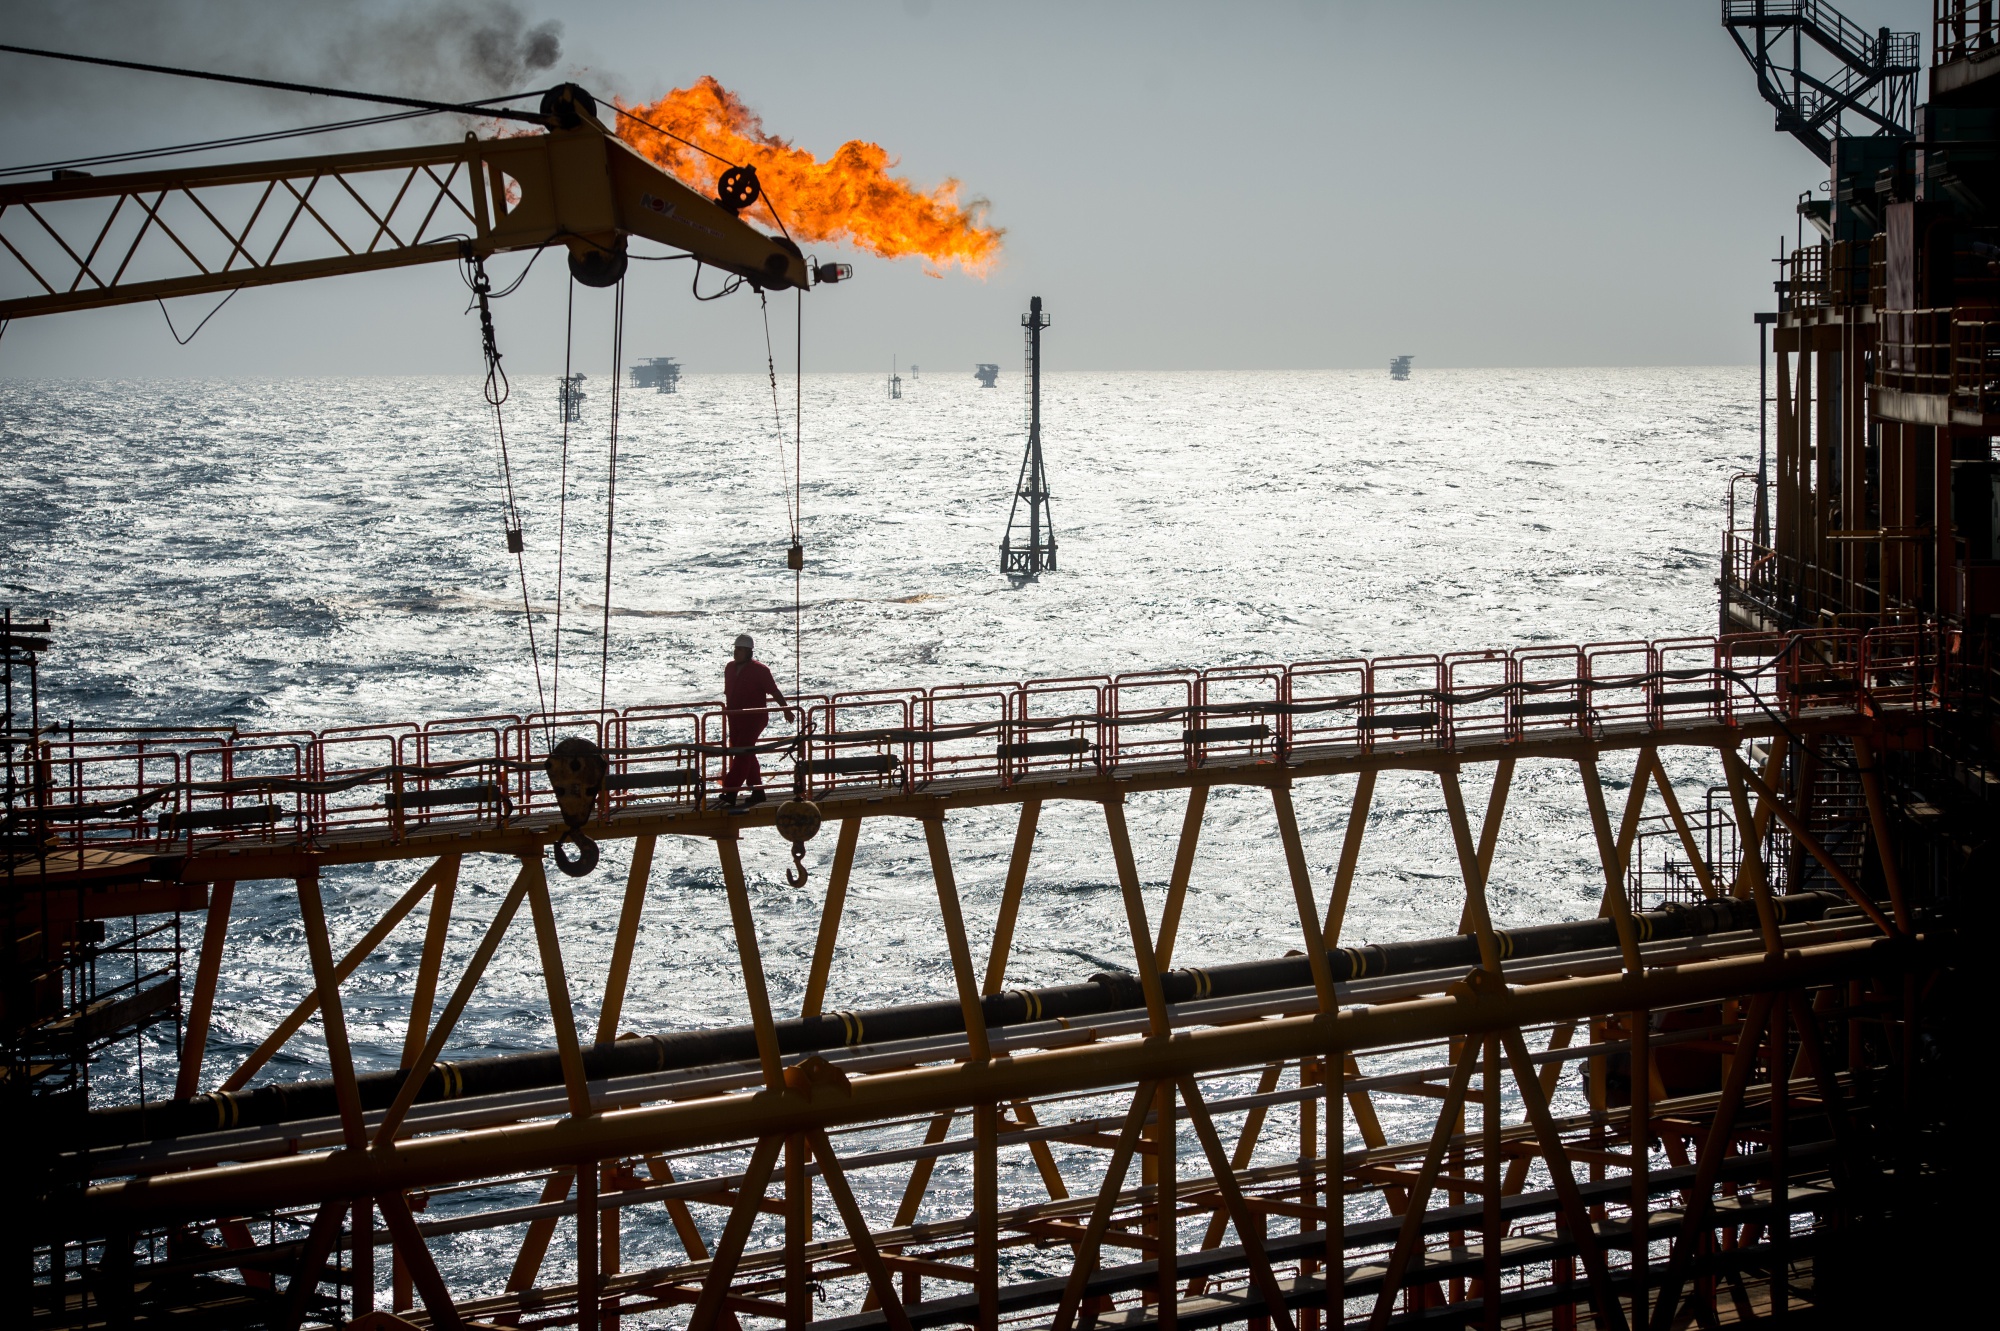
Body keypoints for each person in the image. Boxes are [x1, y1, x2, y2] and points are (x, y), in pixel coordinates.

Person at [720, 633, 793, 809]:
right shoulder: (729, 668)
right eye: (735, 649)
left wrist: (786, 710)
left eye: (739, 650)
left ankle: (731, 790)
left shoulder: (760, 670)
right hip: (735, 717)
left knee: (743, 752)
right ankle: (758, 790)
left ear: (748, 652)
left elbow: (774, 691)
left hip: (754, 718)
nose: (736, 652)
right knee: (746, 752)